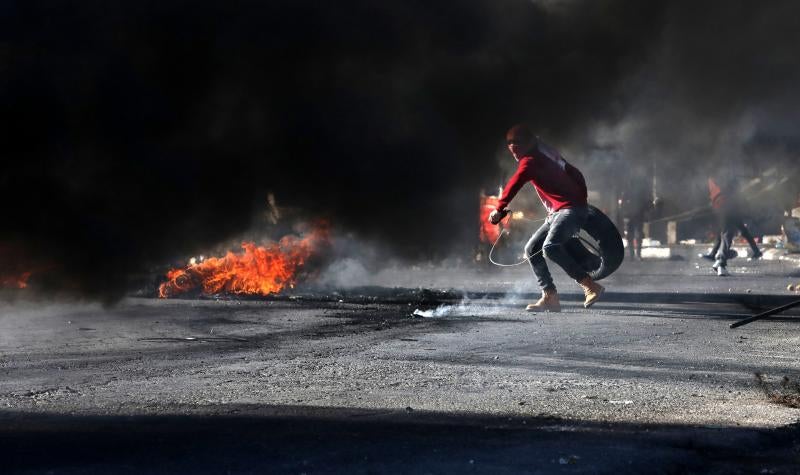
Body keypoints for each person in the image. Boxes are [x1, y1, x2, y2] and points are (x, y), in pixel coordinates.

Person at [488, 124, 604, 312]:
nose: (516, 155)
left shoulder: (530, 161)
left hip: (569, 210)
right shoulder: (546, 152)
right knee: (532, 249)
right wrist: (581, 196)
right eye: (513, 152)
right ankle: (550, 296)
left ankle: (590, 286)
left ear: (527, 144)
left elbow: (514, 184)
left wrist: (499, 208)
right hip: (562, 211)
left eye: (518, 150)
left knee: (550, 248)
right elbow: (575, 172)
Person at [705, 176, 763, 277]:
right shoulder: (733, 194)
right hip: (731, 216)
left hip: (731, 216)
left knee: (726, 237)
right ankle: (718, 260)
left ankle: (720, 262)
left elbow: (739, 205)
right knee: (726, 236)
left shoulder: (729, 194)